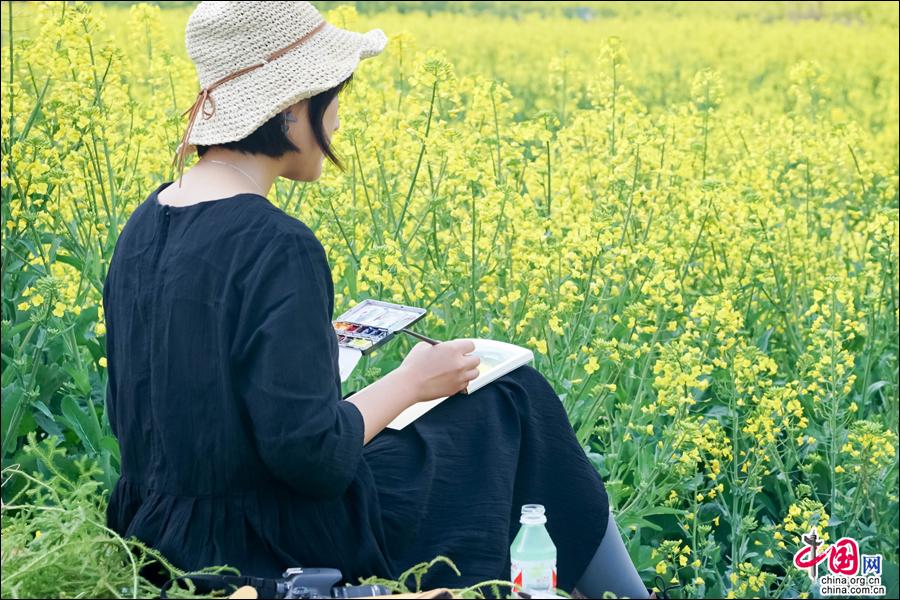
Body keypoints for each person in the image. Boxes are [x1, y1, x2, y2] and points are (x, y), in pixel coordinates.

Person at [103, 2, 655, 598]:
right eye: (334, 96)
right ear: (291, 108)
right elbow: (311, 456)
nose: (338, 120)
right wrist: (413, 381)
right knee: (515, 403)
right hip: (268, 543)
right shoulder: (277, 244)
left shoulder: (147, 219)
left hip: (157, 531)